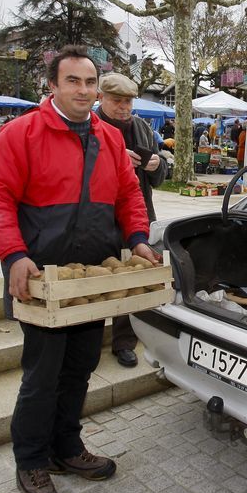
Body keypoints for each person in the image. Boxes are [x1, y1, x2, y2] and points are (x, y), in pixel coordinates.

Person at [0, 45, 155, 493]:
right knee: (42, 374)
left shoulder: (109, 138)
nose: (83, 90)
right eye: (72, 81)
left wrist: (138, 238)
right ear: (52, 85)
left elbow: (129, 194)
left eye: (90, 82)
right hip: (39, 275)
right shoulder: (21, 134)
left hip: (89, 278)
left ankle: (66, 447)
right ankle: (31, 461)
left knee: (80, 367)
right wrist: (14, 254)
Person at [95, 73, 167, 368]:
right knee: (97, 277)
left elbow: (159, 178)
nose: (124, 107)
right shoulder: (90, 126)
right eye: (117, 101)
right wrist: (112, 158)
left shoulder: (142, 127)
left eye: (128, 101)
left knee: (132, 278)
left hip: (137, 216)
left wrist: (157, 165)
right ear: (101, 98)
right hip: (99, 218)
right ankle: (88, 340)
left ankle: (124, 342)